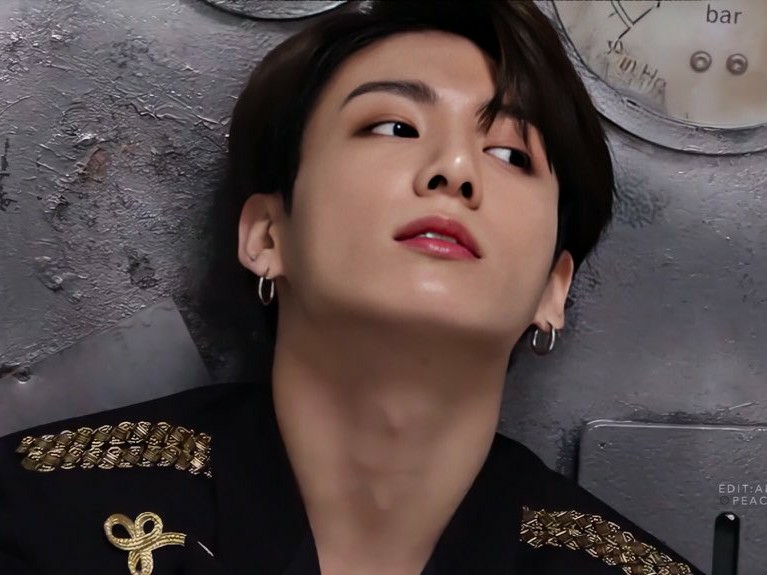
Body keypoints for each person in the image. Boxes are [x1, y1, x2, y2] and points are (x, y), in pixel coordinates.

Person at [0, 1, 705, 574]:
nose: (456, 170)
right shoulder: (36, 517)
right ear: (267, 235)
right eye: (394, 126)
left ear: (554, 288)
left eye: (509, 153)